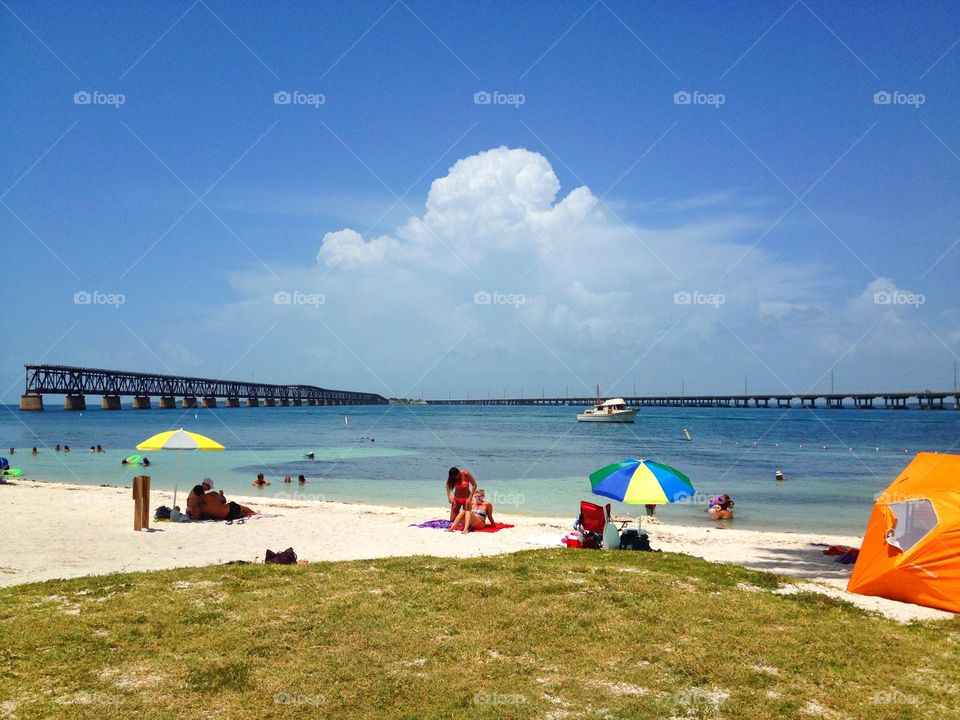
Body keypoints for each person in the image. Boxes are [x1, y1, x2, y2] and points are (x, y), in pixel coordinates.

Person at [187, 484, 257, 520]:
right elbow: (223, 500)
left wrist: (188, 511)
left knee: (243, 514)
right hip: (231, 509)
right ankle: (255, 513)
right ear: (203, 491)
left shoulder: (198, 506)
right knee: (245, 509)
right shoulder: (212, 494)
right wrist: (221, 495)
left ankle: (248, 514)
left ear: (195, 494)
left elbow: (196, 517)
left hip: (226, 517)